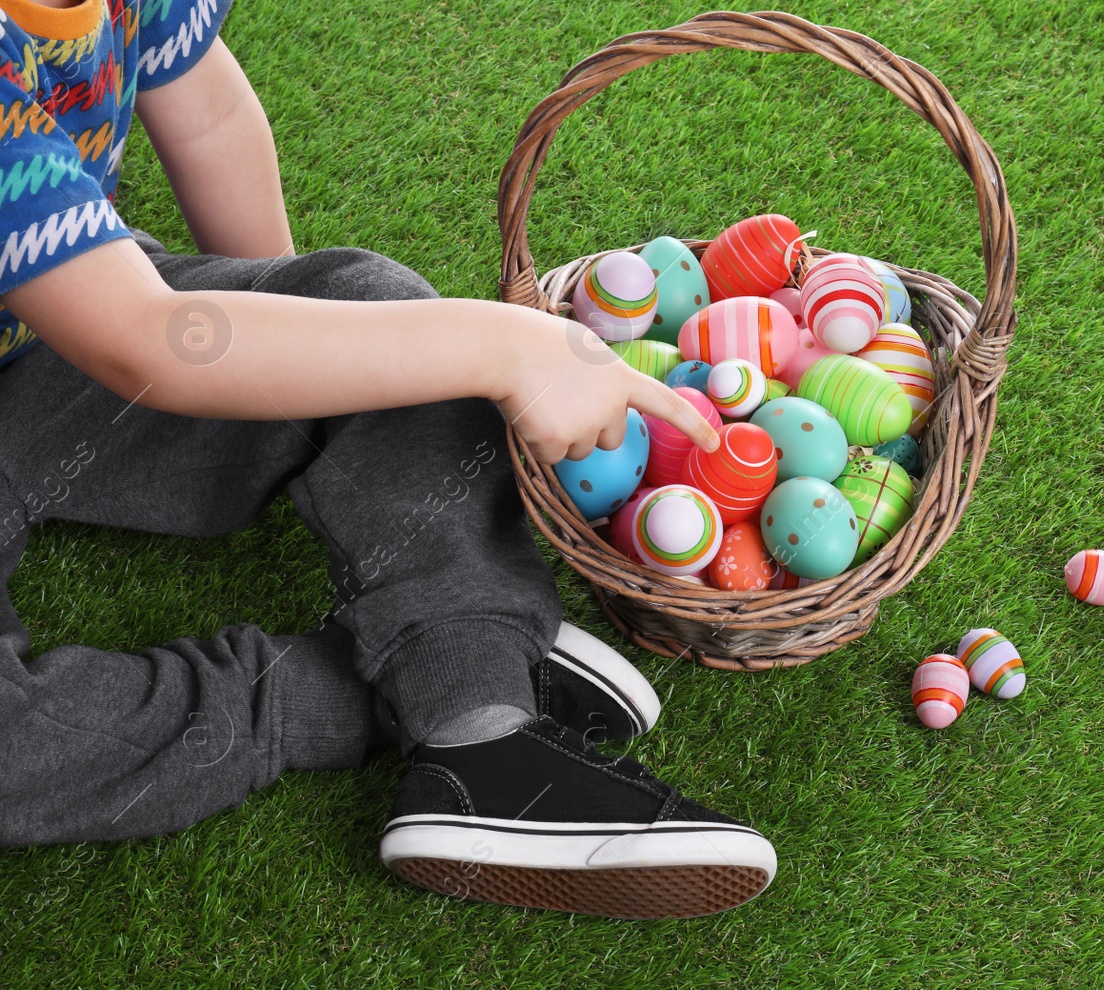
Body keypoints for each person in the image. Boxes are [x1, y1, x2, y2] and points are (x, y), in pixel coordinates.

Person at [0, 0, 776, 920]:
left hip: (44, 337)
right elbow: (142, 339)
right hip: (104, 324)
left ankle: (482, 732)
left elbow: (206, 113)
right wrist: (502, 347)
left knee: (374, 320)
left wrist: (294, 360)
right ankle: (387, 679)